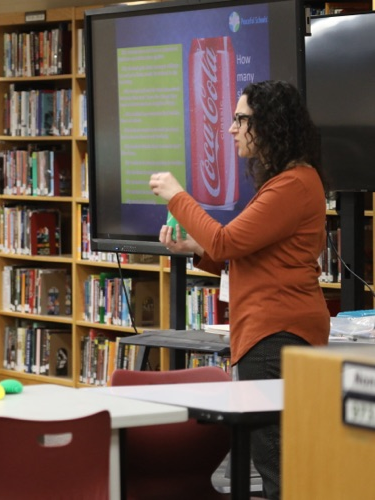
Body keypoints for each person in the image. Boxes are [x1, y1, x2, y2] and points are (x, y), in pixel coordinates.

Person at [149, 80, 329, 500]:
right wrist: (195, 247)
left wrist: (177, 197)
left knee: (277, 462)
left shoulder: (293, 184)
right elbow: (248, 252)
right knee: (276, 458)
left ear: (268, 125)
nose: (230, 128)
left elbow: (228, 241)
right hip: (273, 333)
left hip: (275, 335)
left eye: (240, 118)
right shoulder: (288, 182)